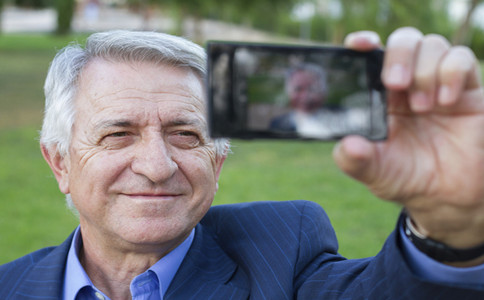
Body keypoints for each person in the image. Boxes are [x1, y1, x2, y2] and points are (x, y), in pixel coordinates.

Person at [1, 28, 484, 299]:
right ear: (59, 161)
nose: (156, 165)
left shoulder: (283, 253)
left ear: (218, 161)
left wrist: (450, 229)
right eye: (117, 134)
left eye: (186, 134)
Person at [269, 63, 368, 139]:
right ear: (288, 92)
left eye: (312, 89)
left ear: (324, 92)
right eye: (298, 89)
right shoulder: (277, 124)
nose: (305, 96)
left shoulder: (344, 116)